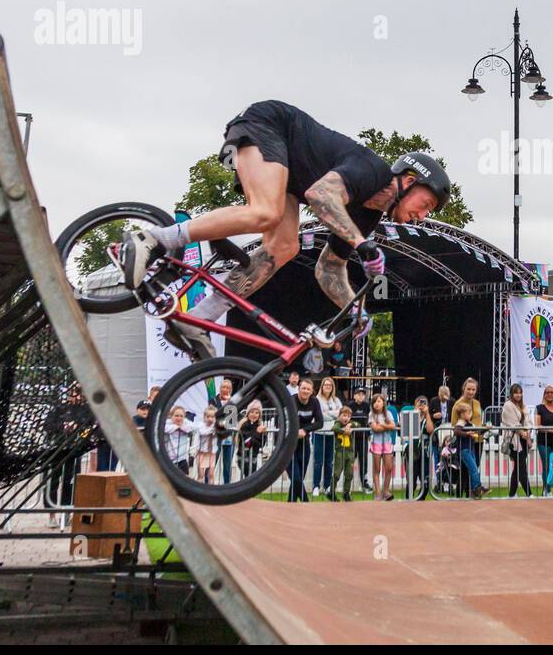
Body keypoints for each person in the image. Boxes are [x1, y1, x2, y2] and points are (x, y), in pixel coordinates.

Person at [117, 100, 451, 360]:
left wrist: (356, 310)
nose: (423, 216)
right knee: (265, 212)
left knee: (284, 246)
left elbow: (329, 270)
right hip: (268, 127)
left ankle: (196, 319)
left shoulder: (366, 218)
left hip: (288, 172)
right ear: (409, 181)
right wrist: (362, 245)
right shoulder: (372, 171)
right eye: (427, 205)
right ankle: (155, 238)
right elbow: (320, 196)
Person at [289, 378, 321, 502]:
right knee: (296, 477)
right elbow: (282, 420)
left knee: (299, 478)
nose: (305, 391)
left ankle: (290, 503)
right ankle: (306, 503)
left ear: (312, 391)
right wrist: (295, 431)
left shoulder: (314, 402)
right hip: (288, 444)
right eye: (303, 388)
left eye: (308, 389)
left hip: (304, 443)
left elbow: (320, 422)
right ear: (298, 388)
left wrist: (305, 430)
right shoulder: (291, 400)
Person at [501, 384, 533, 497]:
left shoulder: (522, 406)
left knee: (518, 468)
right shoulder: (508, 405)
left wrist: (527, 433)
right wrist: (524, 434)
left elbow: (528, 421)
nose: (518, 395)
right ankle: (529, 494)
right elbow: (513, 423)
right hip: (514, 441)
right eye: (516, 392)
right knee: (521, 467)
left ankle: (511, 494)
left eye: (520, 392)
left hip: (523, 440)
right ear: (511, 394)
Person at [452, 402, 490, 498]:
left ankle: (474, 489)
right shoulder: (461, 422)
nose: (470, 415)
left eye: (470, 412)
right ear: (462, 414)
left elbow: (478, 431)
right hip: (464, 450)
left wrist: (485, 428)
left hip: (470, 449)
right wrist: (467, 434)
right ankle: (478, 487)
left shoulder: (470, 424)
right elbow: (456, 431)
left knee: (473, 469)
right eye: (468, 413)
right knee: (473, 469)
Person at [313, 377, 342, 498]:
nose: (328, 387)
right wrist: (332, 415)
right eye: (326, 385)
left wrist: (327, 414)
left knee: (329, 462)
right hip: (319, 433)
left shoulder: (336, 400)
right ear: (322, 386)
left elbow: (340, 414)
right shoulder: (316, 400)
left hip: (332, 433)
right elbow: (318, 415)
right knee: (318, 462)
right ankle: (316, 486)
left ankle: (327, 486)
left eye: (330, 385)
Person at [368, 394, 397, 500]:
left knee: (389, 468)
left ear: (383, 403)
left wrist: (382, 425)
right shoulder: (371, 414)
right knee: (377, 468)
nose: (377, 404)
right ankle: (378, 493)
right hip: (376, 443)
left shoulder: (388, 413)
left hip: (387, 443)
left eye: (379, 401)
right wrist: (386, 426)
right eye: (375, 402)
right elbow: (375, 428)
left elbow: (393, 426)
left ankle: (386, 491)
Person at [211, 377, 236, 483]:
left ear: (231, 390)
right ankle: (208, 484)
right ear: (220, 388)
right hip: (215, 436)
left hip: (229, 436)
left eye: (228, 388)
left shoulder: (233, 402)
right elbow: (210, 417)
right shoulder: (213, 401)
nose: (225, 389)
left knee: (227, 464)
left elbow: (233, 420)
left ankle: (227, 485)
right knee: (212, 462)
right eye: (223, 387)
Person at [348, 387, 372, 492]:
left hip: (363, 437)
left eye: (363, 394)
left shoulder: (367, 406)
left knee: (364, 460)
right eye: (359, 394)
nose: (361, 396)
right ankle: (347, 484)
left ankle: (364, 483)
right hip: (352, 437)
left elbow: (369, 419)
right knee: (350, 460)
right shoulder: (350, 405)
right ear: (354, 395)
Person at [330, 406, 356, 501]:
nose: (346, 418)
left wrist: (350, 425)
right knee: (337, 473)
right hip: (340, 452)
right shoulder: (337, 423)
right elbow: (334, 428)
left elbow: (357, 424)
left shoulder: (350, 423)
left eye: (348, 416)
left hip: (350, 452)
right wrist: (344, 431)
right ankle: (331, 492)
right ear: (339, 416)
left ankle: (346, 493)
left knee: (349, 474)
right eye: (344, 415)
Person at [409, 396, 433, 500]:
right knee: (411, 479)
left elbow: (430, 430)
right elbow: (407, 429)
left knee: (425, 479)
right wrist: (415, 413)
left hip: (425, 451)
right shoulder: (411, 415)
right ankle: (409, 499)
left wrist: (427, 413)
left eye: (424, 403)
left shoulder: (428, 416)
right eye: (419, 403)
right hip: (413, 451)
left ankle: (421, 500)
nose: (421, 405)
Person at [238, 400, 267, 478]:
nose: (254, 415)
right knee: (248, 478)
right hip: (244, 456)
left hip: (254, 456)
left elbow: (262, 443)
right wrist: (258, 432)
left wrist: (264, 434)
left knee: (252, 478)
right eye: (252, 412)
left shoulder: (259, 425)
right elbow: (247, 444)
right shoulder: (244, 425)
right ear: (248, 413)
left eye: (257, 412)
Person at [163, 406, 194, 475]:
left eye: (181, 416)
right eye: (176, 416)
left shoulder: (185, 422)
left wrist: (181, 427)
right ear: (171, 416)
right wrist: (177, 427)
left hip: (182, 459)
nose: (179, 418)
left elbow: (192, 427)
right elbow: (164, 428)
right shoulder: (168, 422)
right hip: (169, 460)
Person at [195, 405, 220, 482]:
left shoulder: (217, 426)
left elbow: (221, 432)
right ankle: (198, 491)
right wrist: (213, 430)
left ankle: (212, 492)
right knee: (201, 475)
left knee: (211, 474)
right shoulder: (201, 424)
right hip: (201, 453)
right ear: (204, 417)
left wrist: (218, 429)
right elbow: (203, 432)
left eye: (213, 417)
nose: (210, 419)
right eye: (208, 416)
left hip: (211, 453)